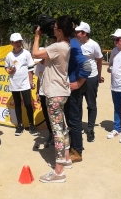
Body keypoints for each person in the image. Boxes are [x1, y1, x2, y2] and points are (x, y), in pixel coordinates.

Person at [32, 15, 80, 183]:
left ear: (60, 31)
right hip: (62, 92)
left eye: (54, 27)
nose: (52, 28)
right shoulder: (65, 45)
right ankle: (66, 158)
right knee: (62, 127)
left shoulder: (58, 46)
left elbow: (35, 53)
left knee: (57, 131)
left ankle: (58, 172)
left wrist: (37, 36)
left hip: (54, 93)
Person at [64, 26, 92, 163]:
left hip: (72, 89)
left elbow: (87, 66)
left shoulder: (73, 44)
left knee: (74, 120)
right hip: (66, 88)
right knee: (70, 119)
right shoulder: (69, 42)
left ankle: (77, 151)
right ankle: (72, 147)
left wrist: (79, 83)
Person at [75, 22, 104, 142]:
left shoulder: (94, 45)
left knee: (91, 104)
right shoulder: (75, 44)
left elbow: (99, 60)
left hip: (91, 78)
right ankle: (79, 127)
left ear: (85, 33)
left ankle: (90, 129)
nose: (76, 34)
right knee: (78, 104)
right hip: (78, 77)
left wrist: (99, 76)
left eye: (79, 32)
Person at [5, 33, 38, 136]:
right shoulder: (9, 55)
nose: (18, 43)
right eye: (16, 42)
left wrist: (30, 82)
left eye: (20, 41)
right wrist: (9, 70)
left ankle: (32, 125)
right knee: (17, 104)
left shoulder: (26, 53)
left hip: (25, 84)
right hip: (14, 84)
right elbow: (6, 68)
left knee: (28, 104)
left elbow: (30, 69)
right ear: (12, 43)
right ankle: (20, 125)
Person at [34, 37, 58, 148]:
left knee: (53, 115)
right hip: (42, 93)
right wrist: (37, 92)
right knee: (46, 114)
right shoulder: (39, 65)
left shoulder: (52, 64)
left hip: (51, 93)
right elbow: (39, 79)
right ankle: (50, 132)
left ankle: (56, 135)